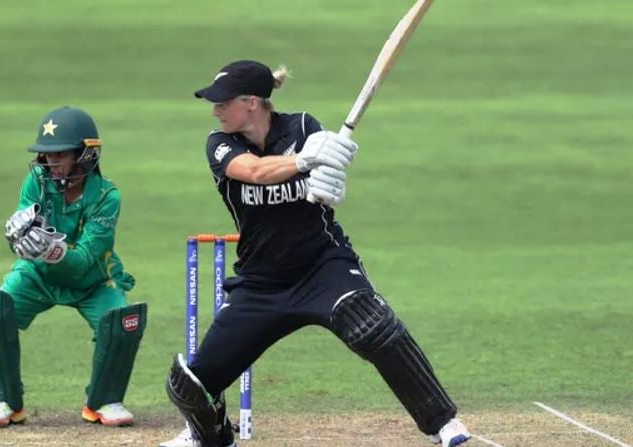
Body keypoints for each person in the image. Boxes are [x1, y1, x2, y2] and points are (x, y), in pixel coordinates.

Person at [160, 61, 471, 447]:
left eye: (223, 103)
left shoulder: (303, 127)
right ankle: (209, 437)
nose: (215, 110)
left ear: (251, 102)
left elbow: (326, 179)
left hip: (322, 267)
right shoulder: (220, 143)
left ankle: (443, 422)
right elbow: (254, 172)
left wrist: (331, 178)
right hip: (261, 282)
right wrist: (305, 161)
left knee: (373, 326)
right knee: (191, 384)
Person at [0, 106, 147, 428]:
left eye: (60, 155)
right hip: (38, 276)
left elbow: (86, 258)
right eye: (47, 155)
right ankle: (4, 401)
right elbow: (23, 234)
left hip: (93, 281)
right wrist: (19, 240)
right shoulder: (37, 180)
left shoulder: (107, 196)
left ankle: (104, 401)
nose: (51, 162)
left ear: (85, 155)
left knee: (121, 323)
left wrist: (52, 250)